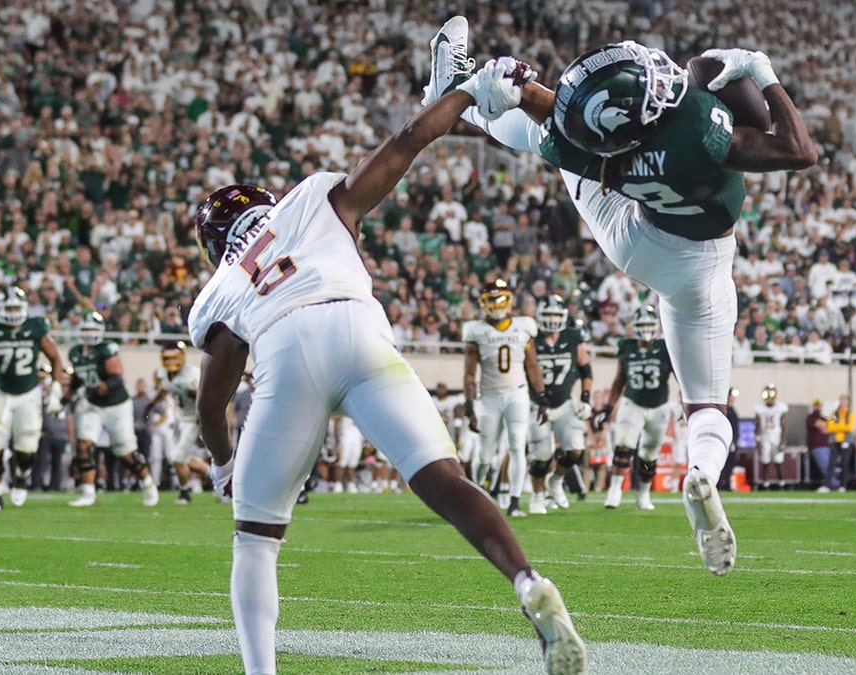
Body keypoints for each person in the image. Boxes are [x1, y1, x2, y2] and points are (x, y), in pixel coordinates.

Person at [189, 63, 585, 675]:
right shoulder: (310, 198)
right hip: (360, 329)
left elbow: (211, 406)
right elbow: (405, 142)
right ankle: (528, 580)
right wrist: (465, 92)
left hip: (284, 350)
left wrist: (222, 465)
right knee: (446, 481)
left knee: (256, 539)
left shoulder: (218, 288)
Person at [426, 17, 816, 575]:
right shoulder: (696, 127)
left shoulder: (597, 138)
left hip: (629, 232)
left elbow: (551, 110)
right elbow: (800, 152)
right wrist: (765, 73)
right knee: (708, 405)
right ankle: (702, 473)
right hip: (701, 265)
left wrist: (504, 84)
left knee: (547, 139)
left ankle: (460, 96)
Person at [0, 286, 67, 513]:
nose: (14, 312)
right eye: (10, 308)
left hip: (28, 394)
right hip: (0, 393)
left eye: (17, 307)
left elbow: (55, 358)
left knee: (26, 449)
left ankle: (22, 476)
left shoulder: (36, 327)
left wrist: (56, 391)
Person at [462, 278, 551, 517]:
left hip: (517, 393)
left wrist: (541, 397)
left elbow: (533, 366)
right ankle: (478, 491)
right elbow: (469, 373)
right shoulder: (476, 330)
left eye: (499, 299)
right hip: (489, 396)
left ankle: (514, 501)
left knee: (517, 445)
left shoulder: (523, 326)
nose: (496, 304)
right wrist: (470, 404)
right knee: (484, 454)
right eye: (491, 300)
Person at [65, 310, 159, 508]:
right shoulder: (75, 352)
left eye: (93, 329)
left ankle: (148, 483)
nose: (90, 333)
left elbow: (117, 379)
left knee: (125, 452)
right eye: (87, 329)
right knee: (83, 445)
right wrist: (65, 397)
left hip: (116, 406)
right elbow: (76, 379)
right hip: (93, 406)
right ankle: (88, 492)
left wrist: (99, 389)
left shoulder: (107, 349)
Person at [594, 305, 673, 511]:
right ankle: (615, 490)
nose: (646, 328)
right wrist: (608, 407)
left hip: (659, 406)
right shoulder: (627, 346)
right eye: (642, 325)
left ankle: (644, 494)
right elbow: (619, 381)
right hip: (633, 403)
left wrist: (685, 402)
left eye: (649, 324)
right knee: (624, 445)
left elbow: (681, 377)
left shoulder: (666, 347)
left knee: (649, 454)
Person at [526, 295, 593, 514]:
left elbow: (585, 369)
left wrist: (585, 397)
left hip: (564, 404)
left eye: (556, 315)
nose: (553, 320)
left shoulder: (573, 337)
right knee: (542, 456)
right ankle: (537, 496)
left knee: (575, 451)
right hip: (538, 405)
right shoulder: (531, 338)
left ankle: (555, 481)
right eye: (549, 315)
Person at [148, 341, 210, 504]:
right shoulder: (162, 373)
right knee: (182, 458)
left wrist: (195, 393)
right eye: (167, 359)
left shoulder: (193, 374)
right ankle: (217, 477)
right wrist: (151, 405)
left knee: (178, 459)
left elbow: (206, 398)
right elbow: (164, 389)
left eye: (174, 358)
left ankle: (185, 492)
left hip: (194, 420)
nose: (171, 363)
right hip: (179, 420)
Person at [754, 383, 789, 489]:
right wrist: (757, 440)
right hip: (765, 435)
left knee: (779, 460)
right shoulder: (759, 408)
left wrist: (783, 441)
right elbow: (757, 425)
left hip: (776, 435)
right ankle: (765, 483)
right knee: (765, 460)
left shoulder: (780, 407)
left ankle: (782, 482)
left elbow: (783, 426)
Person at [825, 395, 856, 492]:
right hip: (835, 441)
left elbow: (849, 428)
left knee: (844, 463)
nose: (843, 402)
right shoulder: (833, 413)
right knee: (831, 463)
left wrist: (837, 427)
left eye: (845, 400)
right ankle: (827, 485)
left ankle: (843, 485)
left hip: (846, 441)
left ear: (848, 402)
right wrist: (842, 427)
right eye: (842, 400)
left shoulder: (851, 414)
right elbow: (830, 427)